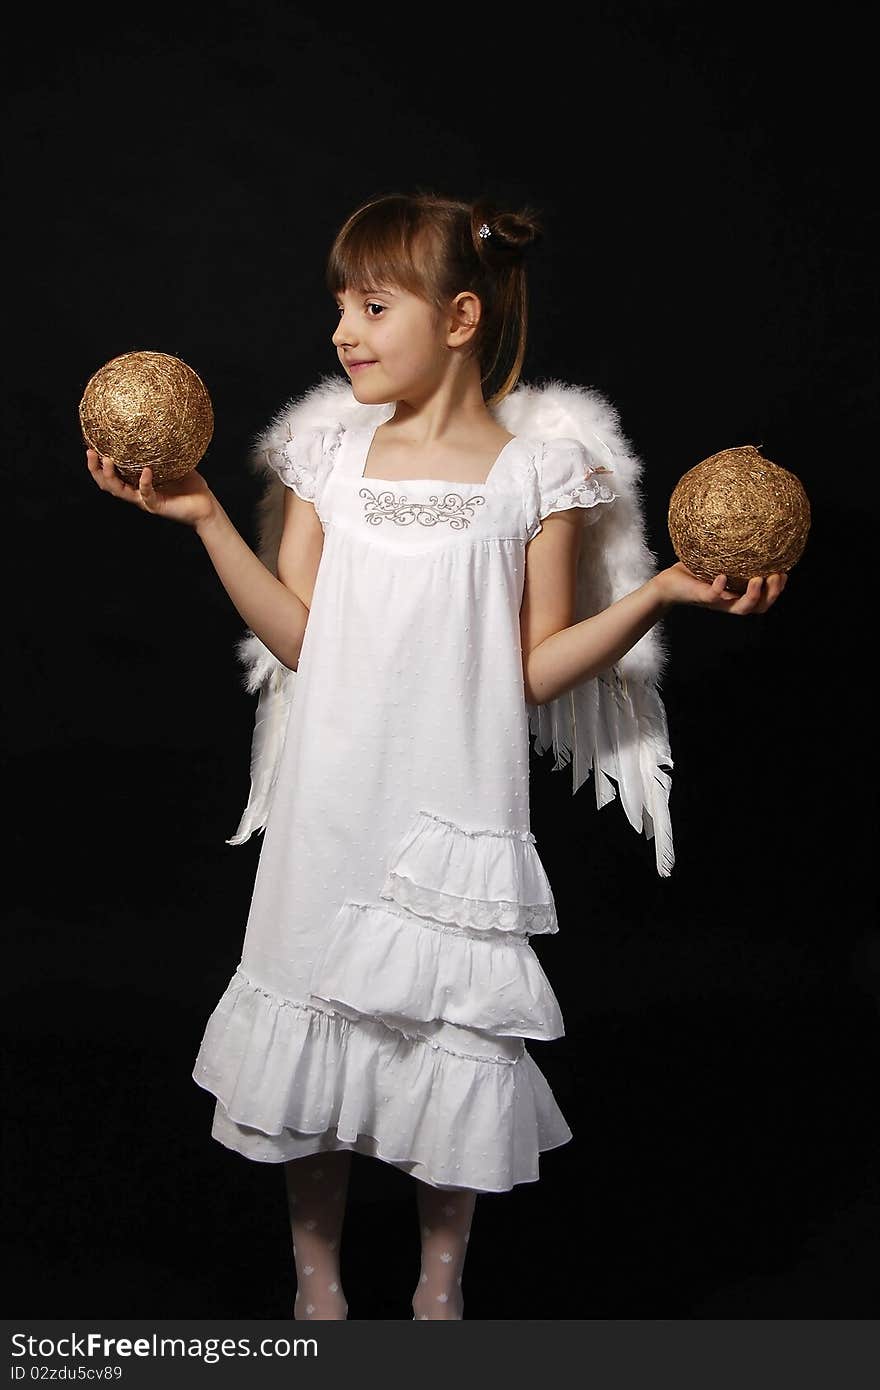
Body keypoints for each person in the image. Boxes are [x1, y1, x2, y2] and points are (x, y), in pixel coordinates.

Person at [85, 191, 787, 1321]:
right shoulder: (327, 457)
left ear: (460, 317)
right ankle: (317, 1287)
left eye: (371, 304)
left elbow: (531, 668)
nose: (342, 332)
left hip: (450, 805)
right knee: (317, 1030)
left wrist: (659, 589)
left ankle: (437, 1290)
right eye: (338, 306)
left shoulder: (535, 480)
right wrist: (212, 517)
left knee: (446, 1045)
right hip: (333, 802)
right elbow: (302, 639)